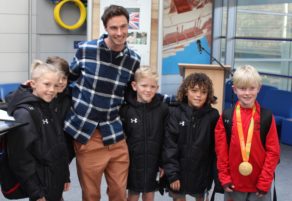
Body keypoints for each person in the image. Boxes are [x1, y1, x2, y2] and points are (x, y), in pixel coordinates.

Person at [63, 4, 140, 201]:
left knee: (118, 193)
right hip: (88, 134)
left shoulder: (134, 60)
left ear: (129, 26)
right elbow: (67, 80)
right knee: (91, 195)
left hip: (115, 132)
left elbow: (135, 93)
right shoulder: (86, 50)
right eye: (114, 28)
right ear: (106, 28)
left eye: (123, 27)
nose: (119, 32)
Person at [6, 60, 70, 201]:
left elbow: (59, 143)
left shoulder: (50, 106)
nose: (52, 90)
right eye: (47, 84)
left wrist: (65, 175)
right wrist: (36, 192)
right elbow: (20, 159)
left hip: (55, 179)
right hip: (41, 186)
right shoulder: (25, 113)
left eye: (56, 85)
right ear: (33, 83)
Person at [215, 65, 280, 201]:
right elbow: (221, 151)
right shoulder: (226, 116)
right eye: (242, 88)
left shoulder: (266, 117)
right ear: (234, 89)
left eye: (252, 88)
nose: (247, 93)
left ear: (259, 88)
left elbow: (273, 152)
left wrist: (265, 181)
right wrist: (224, 177)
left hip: (259, 185)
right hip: (234, 184)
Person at [163, 73, 219, 201]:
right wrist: (172, 174)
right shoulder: (175, 112)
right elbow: (169, 146)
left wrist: (210, 177)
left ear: (208, 95)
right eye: (194, 91)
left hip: (201, 175)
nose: (198, 95)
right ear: (186, 91)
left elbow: (214, 150)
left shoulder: (213, 116)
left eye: (203, 92)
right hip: (178, 173)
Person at [119, 67, 169, 201]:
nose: (148, 90)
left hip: (154, 161)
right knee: (133, 194)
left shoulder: (163, 109)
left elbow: (166, 138)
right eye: (144, 85)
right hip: (132, 162)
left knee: (149, 194)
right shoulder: (125, 110)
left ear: (157, 88)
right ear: (134, 86)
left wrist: (164, 162)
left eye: (153, 86)